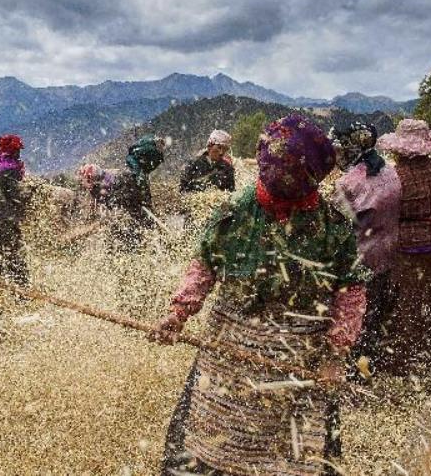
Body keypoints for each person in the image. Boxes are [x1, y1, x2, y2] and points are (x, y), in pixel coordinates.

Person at [149, 114, 367, 475]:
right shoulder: (234, 213)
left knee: (300, 452)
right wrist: (178, 314)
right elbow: (205, 265)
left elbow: (351, 290)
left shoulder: (332, 226)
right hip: (228, 347)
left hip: (300, 355)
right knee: (206, 444)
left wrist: (336, 352)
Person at [374, 119, 431, 376]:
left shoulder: (394, 176)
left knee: (408, 307)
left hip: (409, 252)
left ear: (399, 148)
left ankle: (404, 363)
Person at [331, 123, 400, 376]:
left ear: (352, 148)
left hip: (361, 259)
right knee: (375, 313)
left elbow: (335, 224)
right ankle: (369, 363)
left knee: (355, 315)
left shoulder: (348, 183)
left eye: (340, 149)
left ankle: (353, 370)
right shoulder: (390, 172)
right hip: (388, 254)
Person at [77, 135, 164, 248]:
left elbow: (119, 202)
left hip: (128, 222)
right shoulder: (132, 174)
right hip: (129, 222)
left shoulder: (130, 176)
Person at [0, 134, 30, 285]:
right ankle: (21, 285)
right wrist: (30, 191)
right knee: (13, 251)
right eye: (17, 151)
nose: (19, 153)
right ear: (13, 151)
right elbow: (16, 195)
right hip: (5, 217)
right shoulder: (10, 169)